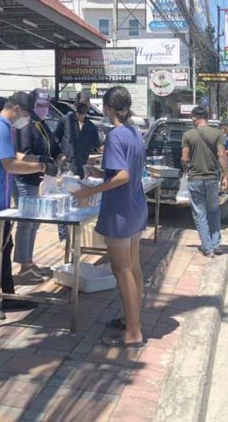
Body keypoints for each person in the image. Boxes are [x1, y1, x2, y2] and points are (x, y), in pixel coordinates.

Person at [0, 92, 58, 320]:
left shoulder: (4, 127)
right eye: (27, 114)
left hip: (0, 200)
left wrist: (39, 160)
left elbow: (14, 154)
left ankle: (8, 295)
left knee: (5, 247)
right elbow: (9, 164)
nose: (26, 120)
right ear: (17, 109)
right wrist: (41, 168)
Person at [72, 86, 147, 347]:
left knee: (122, 269)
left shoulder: (115, 135)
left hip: (120, 210)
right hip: (135, 207)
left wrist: (89, 191)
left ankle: (133, 332)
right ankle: (132, 320)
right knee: (133, 267)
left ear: (107, 108)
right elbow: (125, 169)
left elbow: (122, 175)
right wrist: (99, 172)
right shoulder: (134, 133)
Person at [13, 89, 60, 280]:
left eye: (47, 105)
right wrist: (43, 163)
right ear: (32, 106)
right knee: (26, 223)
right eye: (40, 105)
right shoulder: (26, 126)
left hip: (40, 180)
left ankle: (29, 260)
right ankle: (23, 266)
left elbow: (54, 147)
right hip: (25, 180)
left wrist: (59, 156)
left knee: (35, 223)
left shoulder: (42, 125)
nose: (44, 108)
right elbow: (24, 154)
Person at [181, 107, 228, 257]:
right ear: (207, 117)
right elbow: (221, 154)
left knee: (199, 213)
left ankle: (207, 248)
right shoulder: (217, 134)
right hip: (212, 179)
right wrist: (226, 175)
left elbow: (184, 158)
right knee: (213, 211)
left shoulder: (188, 135)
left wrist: (186, 167)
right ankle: (216, 244)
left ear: (194, 117)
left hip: (195, 179)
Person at [54, 91, 101, 243]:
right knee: (64, 205)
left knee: (77, 206)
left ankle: (74, 239)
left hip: (81, 171)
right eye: (81, 104)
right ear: (75, 104)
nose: (83, 107)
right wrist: (60, 156)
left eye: (86, 104)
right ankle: (64, 238)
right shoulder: (66, 120)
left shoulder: (91, 126)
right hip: (66, 170)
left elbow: (99, 147)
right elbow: (55, 140)